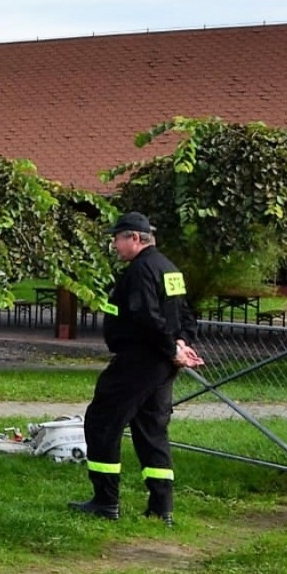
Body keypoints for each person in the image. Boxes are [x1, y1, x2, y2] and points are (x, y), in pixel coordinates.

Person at [69, 212, 204, 526]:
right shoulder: (168, 268)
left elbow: (146, 316)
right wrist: (181, 343)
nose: (114, 245)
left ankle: (105, 501)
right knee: (152, 431)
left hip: (138, 361)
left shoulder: (141, 270)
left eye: (117, 239)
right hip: (162, 364)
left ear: (134, 238)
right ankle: (161, 507)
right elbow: (185, 315)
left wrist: (172, 348)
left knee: (103, 422)